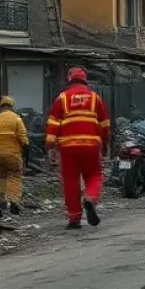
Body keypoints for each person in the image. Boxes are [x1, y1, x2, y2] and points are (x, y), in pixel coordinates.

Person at [45, 67, 111, 229]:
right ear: (84, 80)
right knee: (94, 175)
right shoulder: (95, 98)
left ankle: (74, 218)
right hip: (91, 145)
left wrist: (51, 145)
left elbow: (53, 123)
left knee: (71, 180)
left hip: (68, 147)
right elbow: (104, 124)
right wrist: (106, 142)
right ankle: (90, 198)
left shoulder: (62, 98)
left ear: (70, 80)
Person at [0, 96, 30, 214]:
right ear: (12, 106)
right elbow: (24, 139)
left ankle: (2, 200)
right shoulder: (17, 120)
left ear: (1, 106)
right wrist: (26, 153)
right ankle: (14, 201)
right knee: (14, 177)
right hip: (13, 155)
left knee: (0, 177)